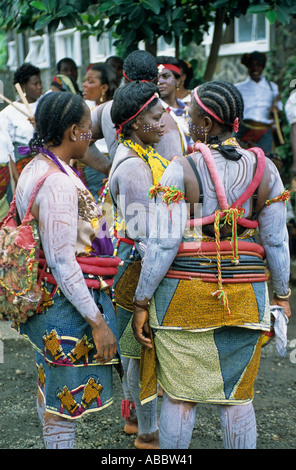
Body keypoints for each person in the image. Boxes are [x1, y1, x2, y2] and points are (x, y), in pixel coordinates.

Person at [132, 80, 291, 449]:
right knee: (237, 396)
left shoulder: (182, 169)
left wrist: (141, 301)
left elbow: (163, 244)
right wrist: (282, 295)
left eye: (191, 115)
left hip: (183, 300)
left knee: (179, 396)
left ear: (206, 122)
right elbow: (276, 241)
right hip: (248, 297)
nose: (186, 120)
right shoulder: (265, 170)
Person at [14, 91, 121, 449]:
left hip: (49, 299)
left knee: (50, 385)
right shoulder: (59, 184)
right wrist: (98, 322)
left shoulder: (35, 166)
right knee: (66, 401)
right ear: (74, 131)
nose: (91, 136)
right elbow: (62, 262)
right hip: (65, 308)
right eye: (89, 128)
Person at [109, 80, 169, 449]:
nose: (164, 120)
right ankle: (148, 435)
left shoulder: (142, 154)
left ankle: (139, 422)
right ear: (134, 122)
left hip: (139, 261)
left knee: (139, 349)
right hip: (136, 266)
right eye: (156, 115)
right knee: (139, 350)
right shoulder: (133, 167)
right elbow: (144, 235)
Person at [77, 63, 118, 200]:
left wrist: (109, 167)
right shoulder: (84, 107)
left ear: (104, 87)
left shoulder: (116, 110)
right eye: (85, 80)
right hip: (92, 168)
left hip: (106, 168)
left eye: (90, 81)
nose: (84, 84)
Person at [0, 63, 42, 186]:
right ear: (23, 86)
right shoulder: (8, 113)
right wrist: (18, 179)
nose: (39, 87)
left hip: (45, 163)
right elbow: (9, 150)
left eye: (40, 83)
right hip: (23, 168)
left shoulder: (45, 105)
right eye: (35, 84)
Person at [235, 51, 283, 154]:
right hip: (243, 130)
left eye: (258, 65)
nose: (255, 69)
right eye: (251, 65)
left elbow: (279, 111)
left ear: (263, 67)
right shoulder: (238, 88)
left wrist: (275, 110)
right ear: (247, 67)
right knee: (239, 160)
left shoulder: (272, 87)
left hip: (264, 131)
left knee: (265, 161)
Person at [156, 56, 192, 151]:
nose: (160, 82)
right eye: (157, 77)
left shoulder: (188, 110)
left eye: (166, 76)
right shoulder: (154, 112)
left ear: (178, 80)